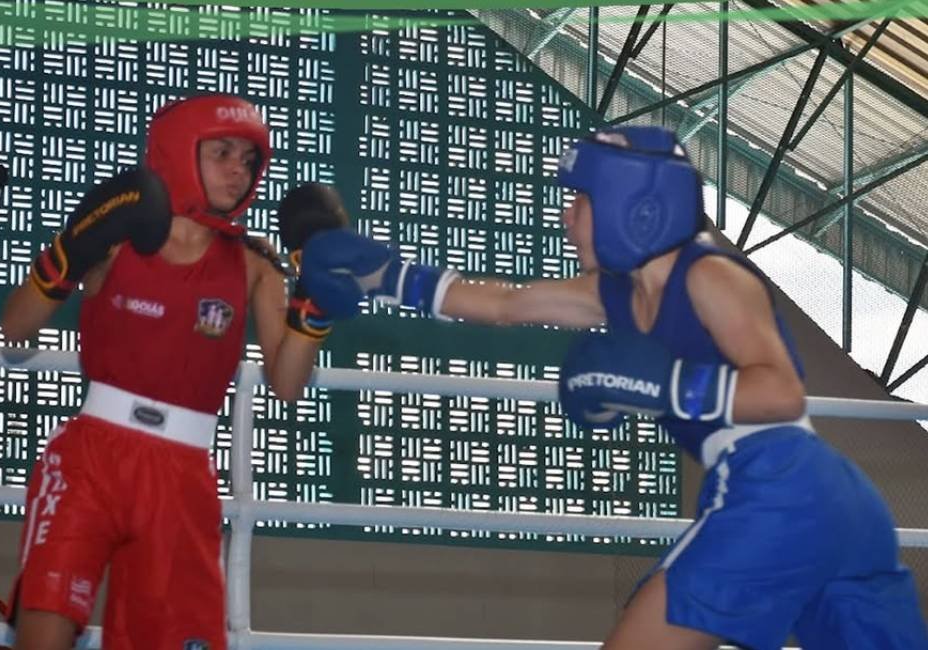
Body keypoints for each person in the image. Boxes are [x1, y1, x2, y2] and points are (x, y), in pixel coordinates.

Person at [293, 127, 928, 650]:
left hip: (777, 485)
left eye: (580, 201)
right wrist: (387, 275)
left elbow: (782, 393)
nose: (567, 220)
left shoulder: (710, 276)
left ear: (636, 206)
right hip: (834, 506)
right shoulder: (616, 293)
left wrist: (666, 384)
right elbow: (508, 303)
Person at [0, 93, 337, 650]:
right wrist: (71, 250)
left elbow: (286, 384)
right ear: (179, 152)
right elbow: (15, 330)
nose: (239, 169)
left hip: (182, 475)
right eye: (222, 152)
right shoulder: (119, 235)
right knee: (45, 627)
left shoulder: (255, 261)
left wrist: (315, 308)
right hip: (92, 458)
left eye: (249, 159)